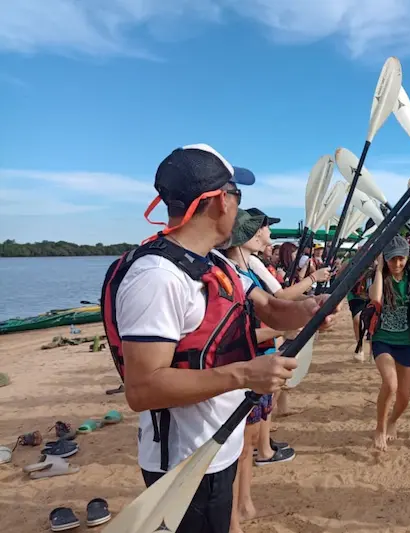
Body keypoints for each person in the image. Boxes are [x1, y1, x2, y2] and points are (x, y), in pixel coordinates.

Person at [100, 144, 339, 533]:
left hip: (221, 445)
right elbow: (142, 389)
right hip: (183, 459)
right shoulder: (157, 278)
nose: (239, 206)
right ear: (218, 201)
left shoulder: (215, 262)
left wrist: (312, 308)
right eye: (236, 195)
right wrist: (245, 374)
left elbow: (270, 308)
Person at [220, 209, 296, 533]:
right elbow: (240, 334)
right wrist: (283, 329)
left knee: (248, 443)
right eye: (260, 229)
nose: (265, 234)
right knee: (239, 448)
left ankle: (244, 503)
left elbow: (272, 308)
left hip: (258, 361)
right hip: (247, 366)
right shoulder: (234, 275)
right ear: (248, 237)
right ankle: (234, 517)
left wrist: (296, 318)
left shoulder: (246, 273)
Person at [362, 236, 410, 450]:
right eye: (392, 259)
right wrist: (378, 269)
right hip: (382, 340)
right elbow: (375, 300)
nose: (397, 264)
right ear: (385, 259)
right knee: (391, 384)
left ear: (407, 257)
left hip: (405, 343)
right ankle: (380, 428)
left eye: (401, 259)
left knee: (404, 398)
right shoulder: (379, 279)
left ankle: (392, 421)